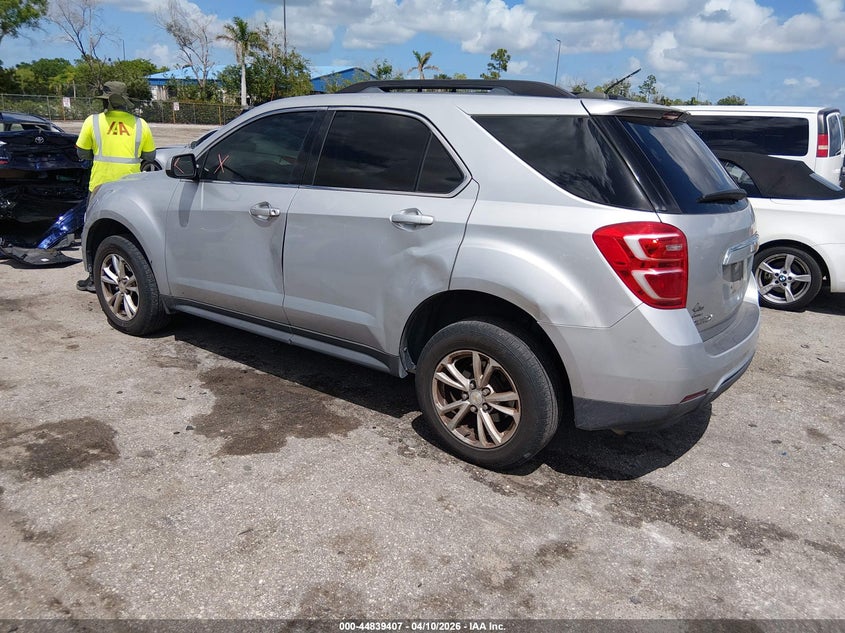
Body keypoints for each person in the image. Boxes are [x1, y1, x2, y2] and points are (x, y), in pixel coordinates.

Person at [75, 81, 156, 292]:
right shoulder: (140, 124)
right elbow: (150, 156)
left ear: (105, 101)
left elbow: (81, 152)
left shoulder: (92, 122)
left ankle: (95, 278)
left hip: (100, 185)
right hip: (131, 186)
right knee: (130, 232)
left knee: (95, 232)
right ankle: (131, 274)